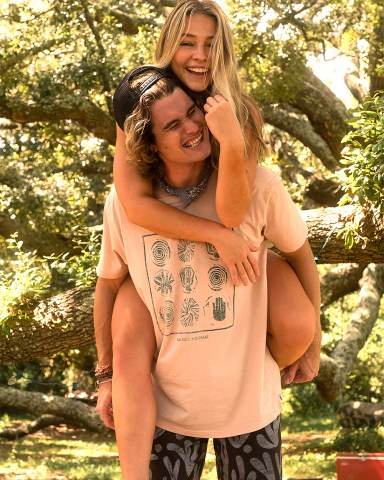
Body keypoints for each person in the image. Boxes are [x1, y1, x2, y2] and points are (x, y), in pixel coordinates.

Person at [95, 66, 321, 479]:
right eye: (173, 125)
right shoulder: (123, 206)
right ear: (149, 144)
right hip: (168, 414)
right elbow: (108, 286)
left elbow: (301, 254)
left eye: (192, 112)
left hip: (250, 408)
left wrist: (311, 339)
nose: (192, 127)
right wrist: (106, 376)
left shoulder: (259, 188)